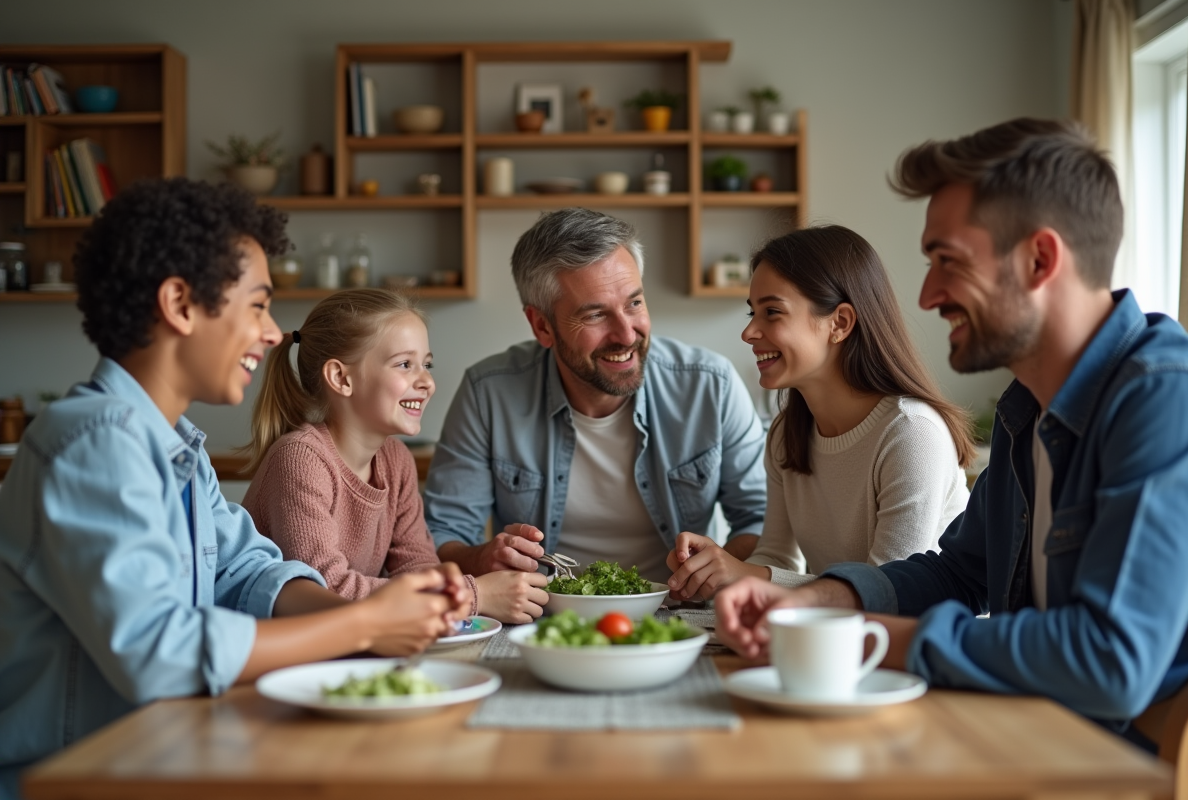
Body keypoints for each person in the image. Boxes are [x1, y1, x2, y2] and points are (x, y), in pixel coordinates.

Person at [716, 118, 1188, 745]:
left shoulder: (1163, 399)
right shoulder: (1026, 407)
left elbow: (1109, 661)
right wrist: (821, 602)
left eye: (948, 261)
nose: (925, 294)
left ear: (1040, 259)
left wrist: (867, 637)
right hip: (1035, 735)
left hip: (1124, 766)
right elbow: (958, 574)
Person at [0, 179, 468, 798]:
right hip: (77, 779)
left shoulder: (177, 446)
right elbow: (157, 652)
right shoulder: (95, 441)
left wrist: (374, 618)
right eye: (256, 305)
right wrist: (362, 627)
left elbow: (249, 573)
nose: (274, 333)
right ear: (181, 304)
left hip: (161, 756)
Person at [424, 207, 767, 620]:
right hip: (542, 623)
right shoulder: (488, 392)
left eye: (634, 303)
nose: (626, 334)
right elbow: (441, 536)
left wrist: (723, 565)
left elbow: (761, 521)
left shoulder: (710, 385)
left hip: (680, 619)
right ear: (542, 326)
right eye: (595, 314)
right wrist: (482, 559)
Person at [666, 225, 974, 602]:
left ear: (839, 323)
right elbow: (777, 557)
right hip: (835, 639)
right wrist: (719, 576)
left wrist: (746, 574)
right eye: (753, 312)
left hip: (922, 648)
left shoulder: (911, 433)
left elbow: (888, 591)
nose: (748, 332)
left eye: (772, 312)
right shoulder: (786, 434)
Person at [240, 289, 529, 623]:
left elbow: (419, 567)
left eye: (427, 364)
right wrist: (472, 595)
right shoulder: (299, 459)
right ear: (341, 378)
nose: (427, 382)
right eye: (405, 364)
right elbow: (324, 590)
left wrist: (445, 596)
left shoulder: (396, 459)